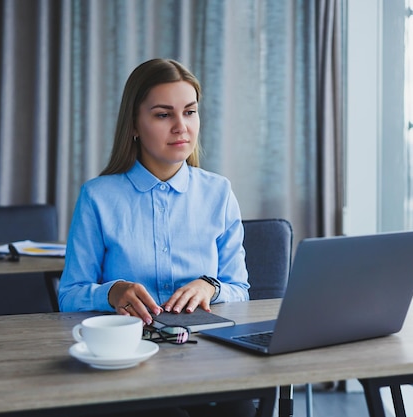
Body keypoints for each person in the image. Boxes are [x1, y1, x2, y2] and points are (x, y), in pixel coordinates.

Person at [58, 58, 258, 417]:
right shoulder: (98, 197)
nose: (181, 127)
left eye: (190, 112)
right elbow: (69, 296)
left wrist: (211, 287)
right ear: (134, 124)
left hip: (207, 355)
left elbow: (239, 288)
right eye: (163, 115)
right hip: (129, 358)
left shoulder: (219, 193)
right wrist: (111, 291)